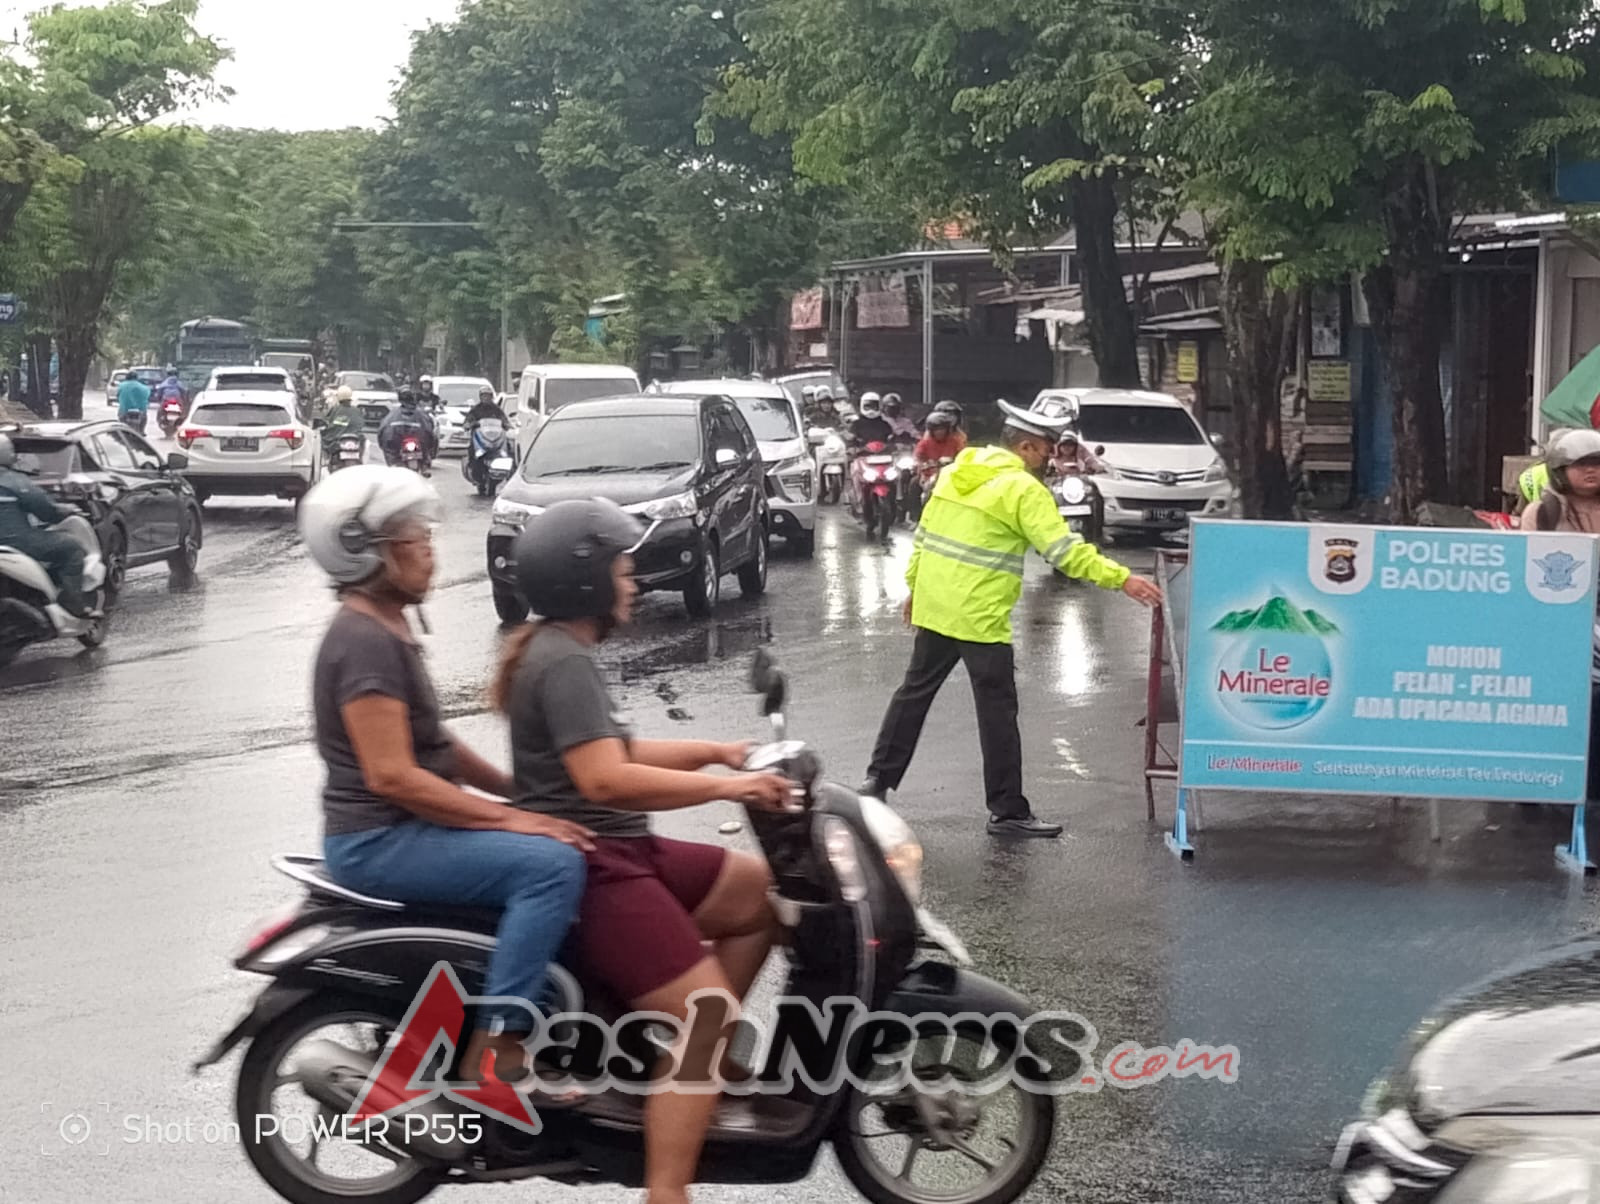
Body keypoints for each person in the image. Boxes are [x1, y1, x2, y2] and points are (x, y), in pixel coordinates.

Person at [496, 498, 794, 1204]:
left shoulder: (561, 649)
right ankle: (666, 1190)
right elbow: (605, 779)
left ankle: (691, 1065)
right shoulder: (563, 661)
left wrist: (718, 752)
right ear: (585, 581)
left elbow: (620, 750)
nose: (633, 583)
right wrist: (729, 789)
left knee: (762, 895)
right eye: (624, 571)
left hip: (626, 850)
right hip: (599, 868)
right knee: (707, 1014)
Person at [299, 466, 594, 1089]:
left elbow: (435, 745)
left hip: (400, 832)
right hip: (379, 841)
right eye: (414, 538)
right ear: (365, 552)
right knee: (550, 866)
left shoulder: (386, 627)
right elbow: (393, 776)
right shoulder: (364, 643)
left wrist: (519, 794)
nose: (429, 551)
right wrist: (515, 819)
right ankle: (497, 1047)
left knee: (552, 841)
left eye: (427, 535)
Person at [862, 401, 1163, 838]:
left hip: (938, 605)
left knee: (914, 693)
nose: (1049, 459)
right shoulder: (1023, 490)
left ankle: (876, 782)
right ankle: (1007, 811)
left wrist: (915, 589)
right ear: (1024, 447)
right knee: (997, 711)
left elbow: (923, 537)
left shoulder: (956, 473)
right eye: (1045, 450)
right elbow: (1064, 552)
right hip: (980, 616)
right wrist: (1123, 579)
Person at [1521, 428, 1600, 803]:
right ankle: (1534, 782)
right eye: (1581, 464)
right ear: (1559, 469)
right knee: (1548, 702)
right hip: (1555, 622)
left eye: (1597, 463)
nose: (1591, 471)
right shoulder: (1543, 513)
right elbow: (1525, 568)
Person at [0, 433, 93, 617]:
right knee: (72, 547)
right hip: (17, 543)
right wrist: (66, 510)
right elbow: (46, 510)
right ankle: (72, 604)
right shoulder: (14, 480)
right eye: (11, 451)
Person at [379, 390, 436, 471]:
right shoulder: (421, 414)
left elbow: (382, 432)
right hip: (398, 447)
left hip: (407, 447)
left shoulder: (392, 414)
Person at [321, 386, 363, 457]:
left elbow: (331, 425)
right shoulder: (357, 410)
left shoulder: (336, 409)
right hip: (354, 439)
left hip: (338, 439)